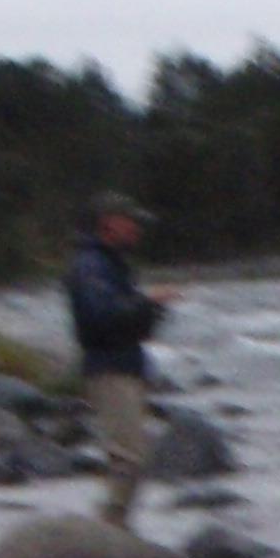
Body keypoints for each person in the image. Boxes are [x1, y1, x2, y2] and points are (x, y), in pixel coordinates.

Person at [64, 188, 171, 529]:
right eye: (131, 223)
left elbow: (132, 325)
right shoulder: (90, 266)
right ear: (109, 224)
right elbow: (101, 317)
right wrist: (147, 303)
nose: (137, 230)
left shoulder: (111, 265)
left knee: (132, 455)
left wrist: (152, 308)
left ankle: (117, 526)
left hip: (125, 366)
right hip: (109, 369)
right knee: (129, 458)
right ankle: (111, 528)